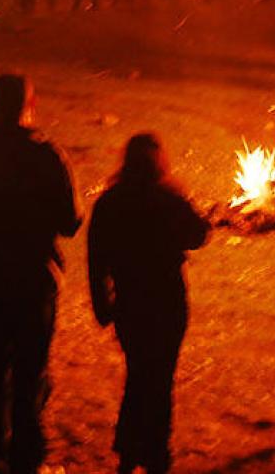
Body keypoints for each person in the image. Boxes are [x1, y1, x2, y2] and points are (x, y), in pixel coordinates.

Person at [0, 75, 81, 474]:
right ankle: (26, 458)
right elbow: (71, 221)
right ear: (30, 103)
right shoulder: (46, 155)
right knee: (30, 369)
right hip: (31, 276)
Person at [88, 133, 212, 474]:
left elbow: (96, 258)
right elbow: (197, 235)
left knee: (139, 372)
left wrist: (102, 302)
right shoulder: (168, 199)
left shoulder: (111, 202)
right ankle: (155, 450)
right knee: (159, 378)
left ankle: (130, 449)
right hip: (166, 300)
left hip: (130, 301)